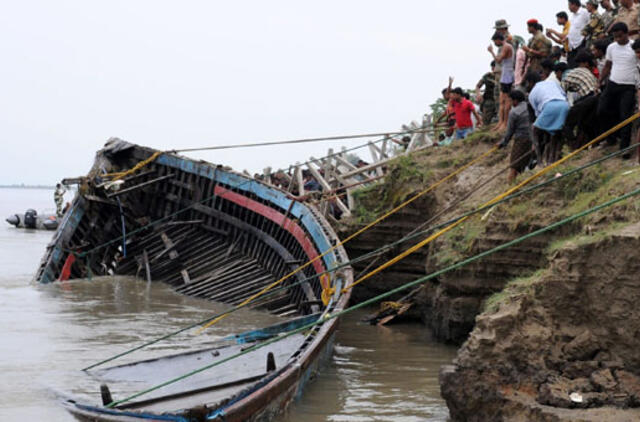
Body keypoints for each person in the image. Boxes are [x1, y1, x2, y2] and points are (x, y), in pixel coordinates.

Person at [597, 22, 638, 158]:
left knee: (625, 116)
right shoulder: (611, 47)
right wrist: (600, 81)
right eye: (615, 37)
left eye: (620, 36)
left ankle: (624, 148)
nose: (618, 39)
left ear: (626, 34)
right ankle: (611, 138)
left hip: (629, 86)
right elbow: (608, 65)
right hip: (613, 83)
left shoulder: (634, 47)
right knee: (602, 110)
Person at [526, 71, 570, 165]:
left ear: (530, 82)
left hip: (550, 107)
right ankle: (552, 160)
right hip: (565, 105)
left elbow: (538, 114)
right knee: (554, 132)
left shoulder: (532, 94)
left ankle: (539, 161)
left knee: (535, 130)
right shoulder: (552, 83)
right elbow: (563, 94)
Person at [561, 51, 600, 149]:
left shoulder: (574, 72)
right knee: (586, 123)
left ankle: (572, 144)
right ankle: (592, 144)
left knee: (567, 122)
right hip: (597, 97)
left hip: (588, 98)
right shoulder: (590, 74)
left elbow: (562, 90)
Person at [498, 90, 533, 183]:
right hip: (534, 139)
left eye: (510, 100)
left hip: (521, 140)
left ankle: (509, 187)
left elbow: (510, 131)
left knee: (514, 166)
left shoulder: (514, 112)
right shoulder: (532, 107)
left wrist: (503, 143)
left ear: (515, 100)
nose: (510, 103)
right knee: (525, 164)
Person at [488, 32, 515, 131]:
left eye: (495, 42)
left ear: (498, 39)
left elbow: (498, 60)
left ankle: (505, 123)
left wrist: (491, 52)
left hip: (508, 75)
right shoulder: (506, 46)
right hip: (505, 74)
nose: (495, 44)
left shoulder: (506, 46)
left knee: (507, 100)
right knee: (501, 100)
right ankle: (500, 122)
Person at [567, 0, 590, 67]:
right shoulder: (572, 17)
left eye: (569, 5)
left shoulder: (584, 12)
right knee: (571, 66)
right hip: (572, 46)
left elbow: (590, 23)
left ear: (574, 4)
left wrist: (586, 37)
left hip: (581, 44)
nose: (568, 7)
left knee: (580, 65)